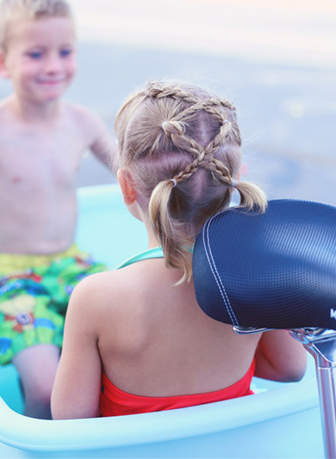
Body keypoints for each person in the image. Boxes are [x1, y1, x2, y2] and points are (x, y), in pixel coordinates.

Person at [51, 80, 307, 419]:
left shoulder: (96, 298)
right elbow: (290, 368)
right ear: (233, 180)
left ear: (127, 186)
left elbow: (70, 420)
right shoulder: (257, 278)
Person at [0, 0, 116, 419]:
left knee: (134, 338)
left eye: (65, 51)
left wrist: (200, 170)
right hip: (12, 276)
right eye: (36, 54)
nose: (53, 66)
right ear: (2, 63)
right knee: (45, 386)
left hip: (73, 265)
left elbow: (135, 172)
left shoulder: (82, 123)